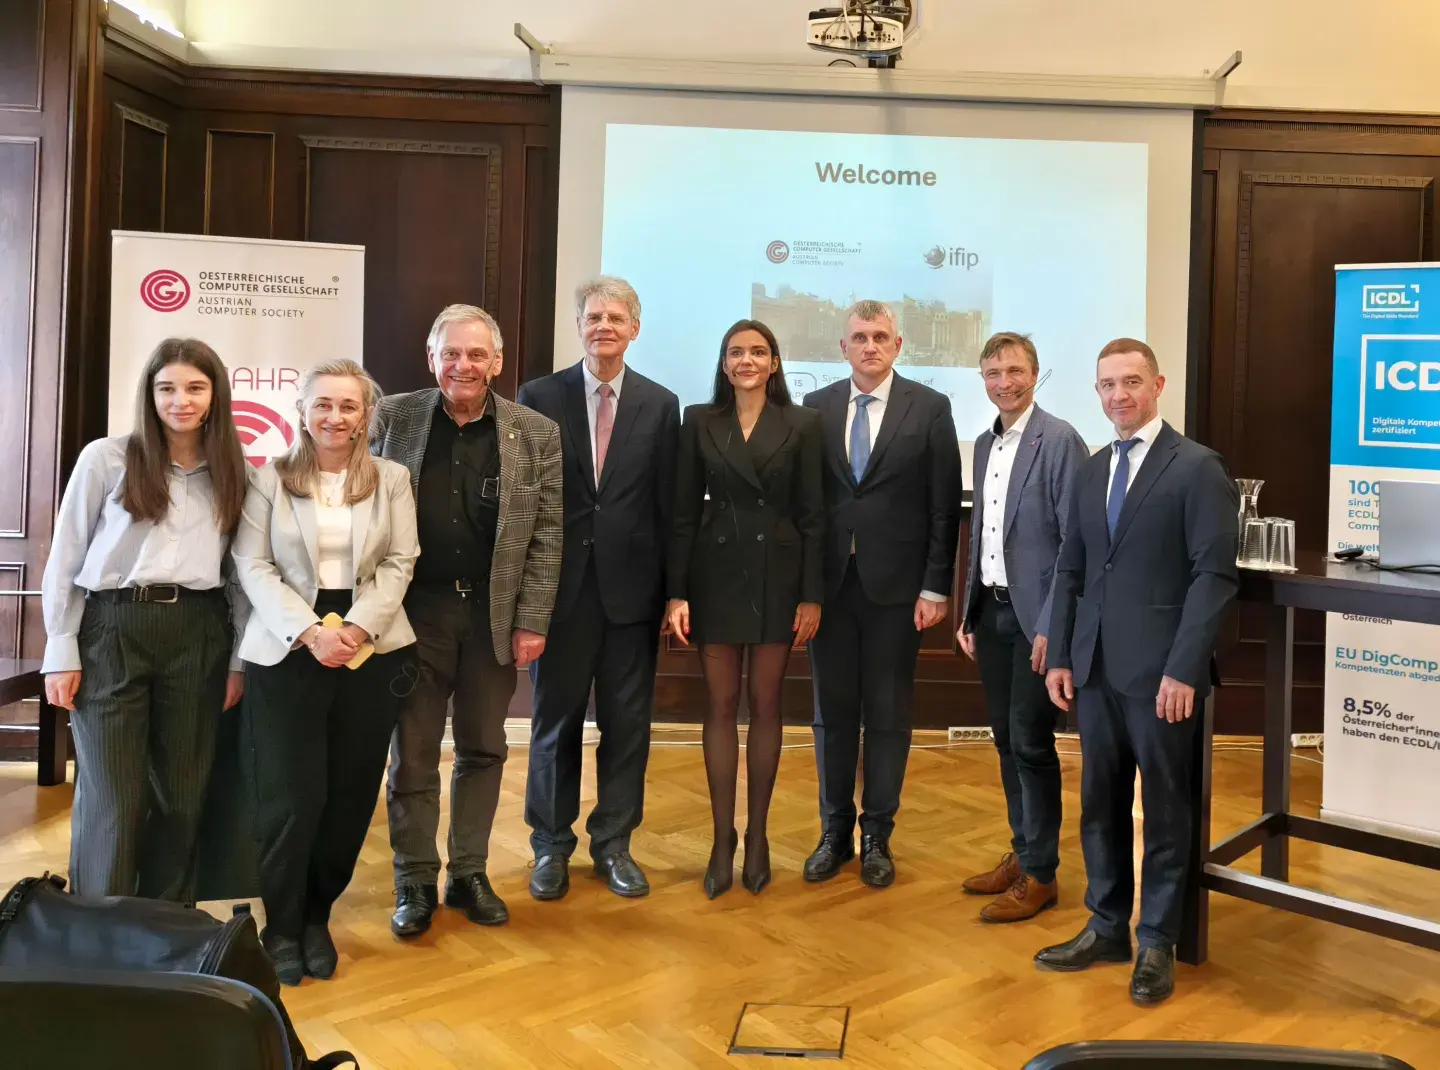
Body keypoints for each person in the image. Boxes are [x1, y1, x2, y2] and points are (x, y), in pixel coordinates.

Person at [1037, 337, 1238, 1007]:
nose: (1118, 395)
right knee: (1099, 802)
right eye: (1107, 384)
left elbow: (1214, 576)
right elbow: (1073, 568)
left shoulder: (1198, 467)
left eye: (1131, 381)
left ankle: (1157, 940)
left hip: (1162, 678)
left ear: (1158, 385)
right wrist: (1061, 655)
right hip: (1094, 669)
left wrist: (1184, 668)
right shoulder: (1093, 469)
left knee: (1167, 809)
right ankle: (1106, 927)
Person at [372, 303, 562, 937]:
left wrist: (532, 619)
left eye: (476, 354)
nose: (463, 365)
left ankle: (469, 873)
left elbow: (547, 535)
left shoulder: (535, 433)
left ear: (497, 362)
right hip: (411, 614)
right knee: (414, 754)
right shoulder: (391, 418)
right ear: (432, 359)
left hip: (492, 615)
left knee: (483, 748)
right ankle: (414, 879)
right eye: (451, 353)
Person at [232, 359, 418, 985]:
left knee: (348, 795)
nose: (335, 417)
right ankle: (282, 925)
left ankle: (317, 917)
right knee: (290, 796)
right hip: (288, 647)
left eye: (348, 406)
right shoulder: (268, 478)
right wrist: (311, 632)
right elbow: (252, 565)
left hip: (370, 649)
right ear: (302, 411)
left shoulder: (392, 478)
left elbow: (400, 561)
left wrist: (356, 629)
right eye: (323, 404)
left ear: (366, 416)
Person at [41, 337, 247, 900]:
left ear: (215, 395)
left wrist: (237, 662)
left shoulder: (236, 470)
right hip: (111, 628)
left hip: (199, 631)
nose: (181, 401)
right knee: (113, 798)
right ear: (149, 394)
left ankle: (163, 924)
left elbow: (241, 576)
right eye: (167, 388)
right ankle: (98, 927)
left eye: (195, 388)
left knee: (182, 795)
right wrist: (60, 647)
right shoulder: (105, 458)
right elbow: (66, 556)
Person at [516, 277, 679, 901]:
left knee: (627, 728)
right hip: (557, 594)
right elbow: (524, 501)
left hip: (632, 598)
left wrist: (673, 591)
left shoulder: (661, 405)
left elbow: (668, 507)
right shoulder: (539, 396)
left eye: (615, 317)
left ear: (634, 328)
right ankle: (550, 846)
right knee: (553, 726)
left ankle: (613, 844)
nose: (603, 326)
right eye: (593, 316)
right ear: (578, 326)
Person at [801, 300, 963, 889]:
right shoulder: (814, 407)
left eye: (880, 337)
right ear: (842, 348)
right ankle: (834, 831)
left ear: (898, 345)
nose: (869, 346)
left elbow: (944, 504)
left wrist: (936, 585)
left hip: (898, 590)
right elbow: (805, 504)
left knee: (889, 714)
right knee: (832, 714)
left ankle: (877, 835)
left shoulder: (930, 407)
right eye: (859, 337)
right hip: (830, 589)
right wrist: (803, 588)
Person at [667, 320, 825, 898]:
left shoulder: (803, 423)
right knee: (719, 706)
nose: (746, 360)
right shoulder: (698, 420)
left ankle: (757, 837)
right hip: (715, 575)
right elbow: (683, 514)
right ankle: (721, 840)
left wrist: (812, 594)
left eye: (758, 352)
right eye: (736, 352)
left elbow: (815, 516)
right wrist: (676, 591)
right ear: (723, 363)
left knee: (766, 704)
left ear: (775, 363)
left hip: (780, 577)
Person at [957, 332, 1088, 923]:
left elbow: (1073, 545)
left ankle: (1041, 875)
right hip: (992, 613)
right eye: (993, 373)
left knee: (1031, 743)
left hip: (1037, 621)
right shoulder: (986, 443)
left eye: (1014, 371)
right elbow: (985, 533)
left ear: (1035, 374)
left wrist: (1055, 627)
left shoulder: (1059, 440)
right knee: (1006, 740)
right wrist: (968, 611)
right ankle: (1023, 851)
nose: (1004, 382)